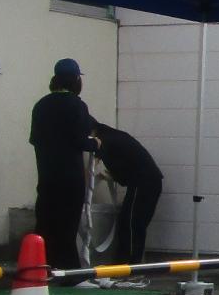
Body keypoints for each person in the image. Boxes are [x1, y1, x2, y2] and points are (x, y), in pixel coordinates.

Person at [28, 58, 101, 280]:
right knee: (67, 228)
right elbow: (80, 140)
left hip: (47, 176)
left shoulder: (41, 105)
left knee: (46, 225)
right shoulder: (77, 106)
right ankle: (70, 274)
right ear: (77, 80)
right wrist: (95, 144)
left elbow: (35, 140)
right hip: (70, 178)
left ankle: (39, 270)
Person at [88, 121, 162, 267]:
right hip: (148, 181)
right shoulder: (115, 136)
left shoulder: (104, 140)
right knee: (132, 223)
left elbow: (93, 165)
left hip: (142, 183)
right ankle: (131, 264)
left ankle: (129, 266)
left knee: (131, 223)